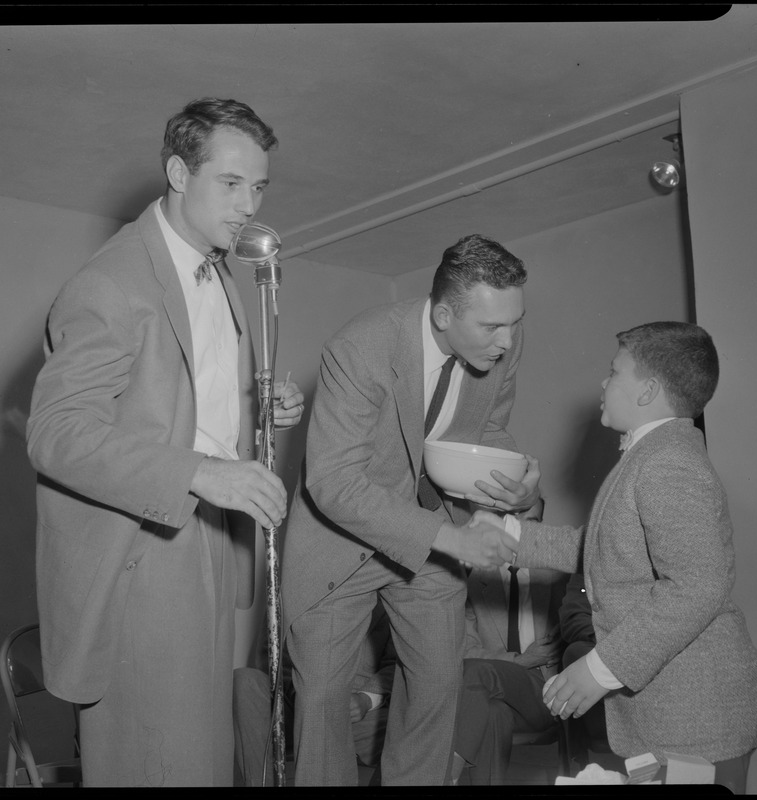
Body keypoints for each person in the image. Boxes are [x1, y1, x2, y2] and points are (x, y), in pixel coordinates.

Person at [26, 97, 304, 787]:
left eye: (259, 185)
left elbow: (183, 399)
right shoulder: (111, 282)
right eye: (230, 183)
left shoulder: (218, 272)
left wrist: (261, 411)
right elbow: (56, 434)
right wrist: (204, 473)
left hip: (210, 532)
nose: (249, 204)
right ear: (179, 173)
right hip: (142, 544)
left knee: (202, 758)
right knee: (156, 761)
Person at [472, 321, 757, 793]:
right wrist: (512, 535)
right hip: (679, 707)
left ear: (648, 391)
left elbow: (699, 585)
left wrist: (601, 669)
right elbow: (606, 549)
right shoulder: (651, 455)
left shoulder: (667, 463)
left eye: (614, 372)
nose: (603, 382)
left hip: (699, 713)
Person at [282, 234, 540, 785]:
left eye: (514, 323)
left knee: (435, 694)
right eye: (493, 327)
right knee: (324, 708)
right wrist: (452, 540)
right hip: (339, 544)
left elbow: (485, 431)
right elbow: (333, 483)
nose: (508, 341)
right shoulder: (361, 347)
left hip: (430, 545)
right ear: (444, 314)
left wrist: (514, 486)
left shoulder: (501, 348)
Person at [233, 600, 396, 787]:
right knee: (244, 680)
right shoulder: (290, 589)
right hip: (296, 707)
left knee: (413, 721)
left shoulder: (389, 595)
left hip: (360, 716)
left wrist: (366, 699)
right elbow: (269, 657)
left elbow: (399, 665)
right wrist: (302, 695)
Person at [450, 539, 567, 785]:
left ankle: (446, 774)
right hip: (487, 693)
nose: (522, 533)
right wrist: (522, 660)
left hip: (543, 693)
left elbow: (577, 627)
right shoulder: (472, 581)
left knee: (477, 673)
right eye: (516, 521)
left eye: (531, 522)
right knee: (493, 713)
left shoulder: (556, 578)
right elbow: (466, 651)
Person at [556, 571, 624, 775]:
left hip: (659, 652)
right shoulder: (589, 566)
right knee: (576, 653)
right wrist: (613, 648)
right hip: (603, 651)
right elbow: (573, 616)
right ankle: (605, 752)